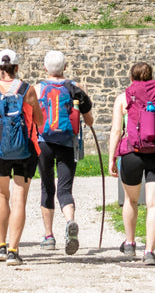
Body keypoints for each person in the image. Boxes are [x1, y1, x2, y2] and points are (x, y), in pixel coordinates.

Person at [0, 48, 43, 266]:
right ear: (16, 68)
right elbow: (40, 121)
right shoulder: (27, 89)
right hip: (26, 149)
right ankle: (14, 250)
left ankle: (1, 245)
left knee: (1, 195)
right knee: (19, 197)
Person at [108, 61, 155, 266]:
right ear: (151, 76)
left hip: (131, 153)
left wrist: (112, 157)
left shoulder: (123, 98)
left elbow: (117, 131)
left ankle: (130, 243)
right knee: (154, 204)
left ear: (131, 77)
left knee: (131, 200)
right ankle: (150, 252)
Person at [34, 50, 94, 255]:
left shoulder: (38, 88)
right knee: (65, 189)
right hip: (68, 143)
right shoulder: (75, 88)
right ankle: (70, 222)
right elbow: (89, 120)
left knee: (47, 187)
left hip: (44, 143)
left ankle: (49, 237)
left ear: (45, 68)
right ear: (65, 68)